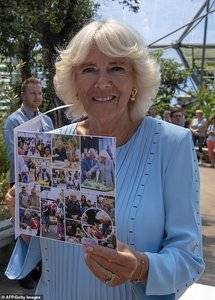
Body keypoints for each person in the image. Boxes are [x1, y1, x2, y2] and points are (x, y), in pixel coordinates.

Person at [5, 20, 204, 300]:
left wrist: (142, 267)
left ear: (136, 79)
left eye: (117, 68)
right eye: (89, 69)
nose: (102, 82)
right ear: (74, 81)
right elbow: (44, 249)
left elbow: (190, 257)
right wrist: (24, 218)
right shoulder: (51, 145)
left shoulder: (171, 144)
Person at [4, 77, 54, 186]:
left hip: (44, 179)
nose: (37, 97)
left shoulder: (47, 120)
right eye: (33, 93)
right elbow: (13, 154)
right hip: (21, 180)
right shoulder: (13, 121)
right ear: (23, 95)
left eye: (39, 93)